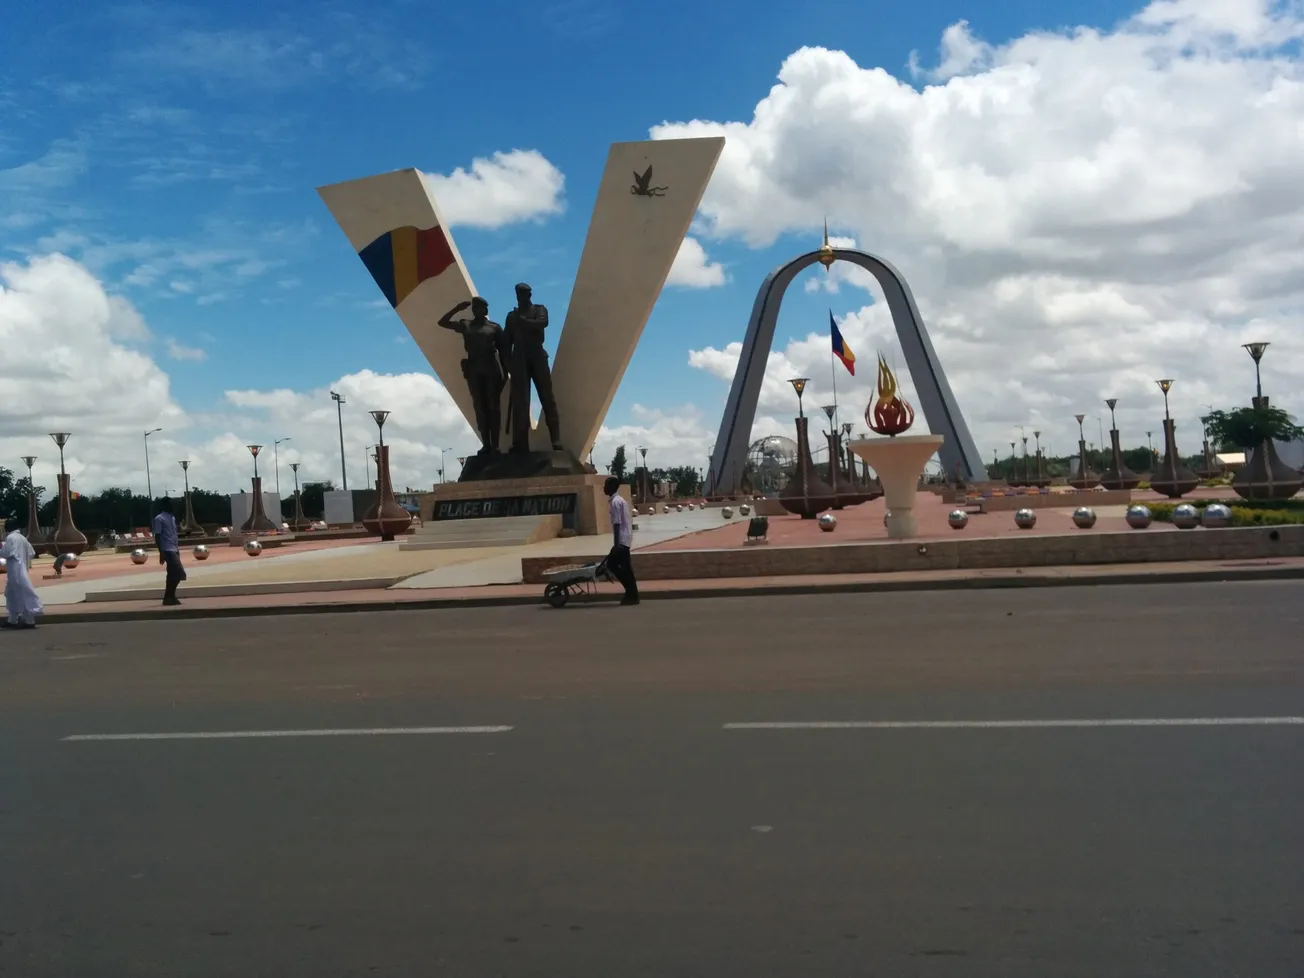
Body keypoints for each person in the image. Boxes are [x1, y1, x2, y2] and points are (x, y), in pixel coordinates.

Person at [438, 297, 509, 455]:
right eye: (474, 308)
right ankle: (487, 445)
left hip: (491, 368)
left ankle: (495, 445)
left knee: (494, 407)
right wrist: (457, 308)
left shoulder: (494, 328)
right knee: (480, 407)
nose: (476, 310)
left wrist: (506, 373)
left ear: (486, 310)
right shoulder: (466, 324)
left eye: (480, 308)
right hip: (474, 368)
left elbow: (503, 352)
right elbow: (442, 323)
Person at [503, 282, 562, 452]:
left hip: (537, 355)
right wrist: (508, 363)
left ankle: (556, 439)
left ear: (529, 295)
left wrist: (524, 321)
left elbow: (543, 323)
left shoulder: (539, 309)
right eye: (518, 294)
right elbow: (507, 341)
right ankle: (520, 443)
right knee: (521, 403)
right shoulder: (511, 316)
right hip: (519, 358)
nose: (520, 297)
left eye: (523, 294)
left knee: (547, 398)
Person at [2, 515, 42, 629]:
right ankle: (12, 619)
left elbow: (6, 553)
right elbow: (32, 553)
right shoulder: (22, 538)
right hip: (21, 569)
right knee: (12, 594)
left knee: (21, 594)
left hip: (15, 570)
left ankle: (29, 620)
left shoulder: (11, 538)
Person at [603, 476, 639, 605]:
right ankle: (632, 595)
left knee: (612, 565)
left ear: (611, 487)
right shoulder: (619, 500)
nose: (604, 488)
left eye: (606, 485)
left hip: (622, 540)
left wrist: (616, 544)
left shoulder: (615, 502)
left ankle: (631, 593)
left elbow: (617, 524)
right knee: (626, 568)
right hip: (625, 539)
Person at [152, 496, 187, 606]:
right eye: (171, 504)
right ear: (165, 505)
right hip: (167, 549)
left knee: (171, 574)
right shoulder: (159, 518)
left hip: (174, 548)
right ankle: (169, 596)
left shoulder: (172, 518)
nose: (173, 506)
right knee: (179, 573)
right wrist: (161, 552)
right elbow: (157, 536)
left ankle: (169, 597)